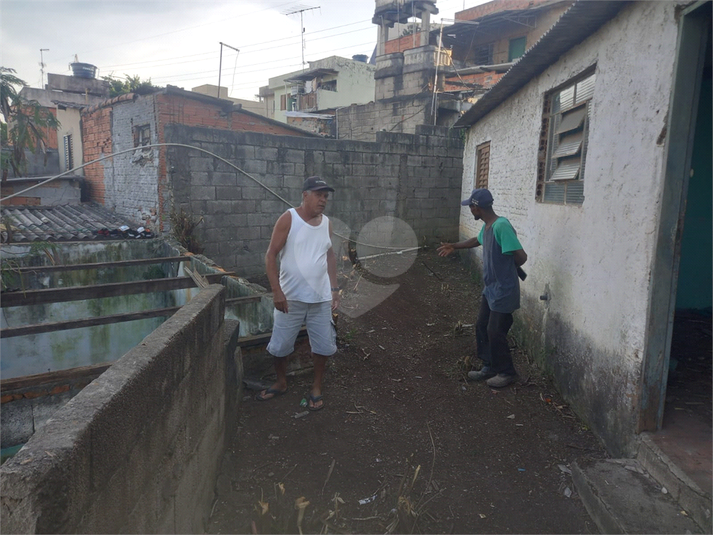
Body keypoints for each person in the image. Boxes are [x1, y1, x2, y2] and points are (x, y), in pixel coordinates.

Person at [256, 176, 340, 411]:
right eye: (318, 195)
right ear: (305, 195)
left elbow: (329, 255)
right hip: (290, 298)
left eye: (326, 196)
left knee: (322, 345)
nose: (323, 200)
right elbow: (271, 255)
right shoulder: (289, 218)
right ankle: (281, 382)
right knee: (281, 345)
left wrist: (334, 289)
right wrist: (277, 292)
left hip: (320, 298)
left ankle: (316, 387)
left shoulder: (326, 223)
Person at [437, 188, 527, 388]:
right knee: (481, 326)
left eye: (471, 206)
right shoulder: (487, 226)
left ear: (476, 207)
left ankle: (506, 372)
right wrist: (454, 245)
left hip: (504, 289)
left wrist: (507, 268)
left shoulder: (500, 226)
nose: (470, 210)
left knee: (495, 331)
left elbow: (522, 257)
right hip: (491, 289)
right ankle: (489, 366)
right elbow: (476, 240)